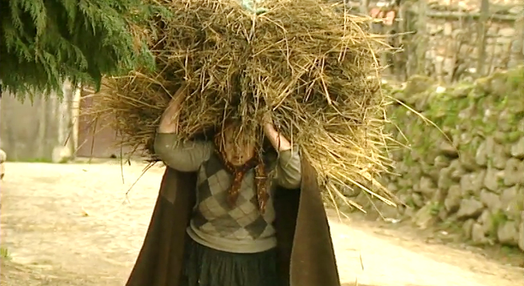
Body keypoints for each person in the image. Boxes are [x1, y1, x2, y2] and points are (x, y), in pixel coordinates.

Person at [125, 86, 341, 286]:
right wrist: (182, 95)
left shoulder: (269, 165)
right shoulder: (206, 154)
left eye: (246, 141)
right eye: (230, 141)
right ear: (219, 138)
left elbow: (296, 175)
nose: (238, 150)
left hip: (256, 263)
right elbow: (166, 148)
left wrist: (267, 126)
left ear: (257, 141)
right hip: (205, 258)